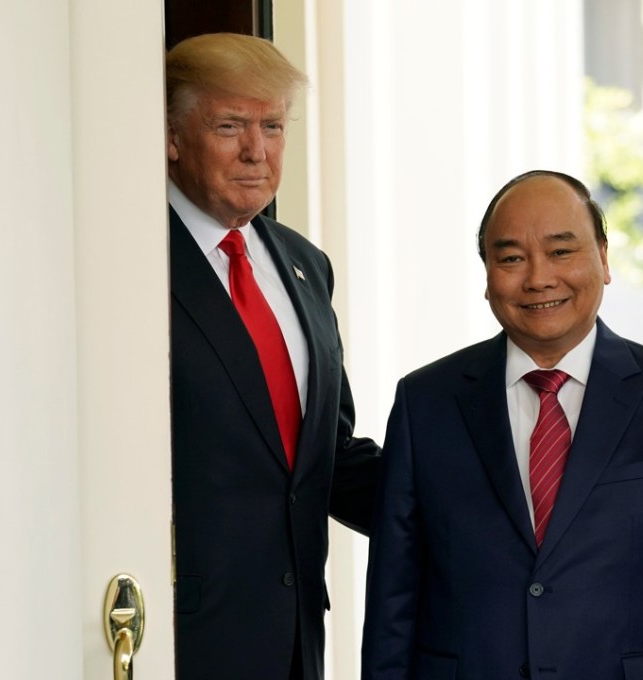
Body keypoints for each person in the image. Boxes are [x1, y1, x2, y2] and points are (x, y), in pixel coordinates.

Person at [361, 170, 643, 679]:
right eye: (510, 258)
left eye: (561, 252)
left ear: (603, 258)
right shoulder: (425, 402)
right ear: (487, 274)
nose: (538, 278)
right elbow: (392, 598)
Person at [165, 33, 380, 680]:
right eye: (230, 126)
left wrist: (461, 500)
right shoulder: (129, 258)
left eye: (273, 126)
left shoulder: (304, 264)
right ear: (172, 136)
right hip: (180, 640)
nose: (257, 151)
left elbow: (327, 458)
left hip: (295, 637)